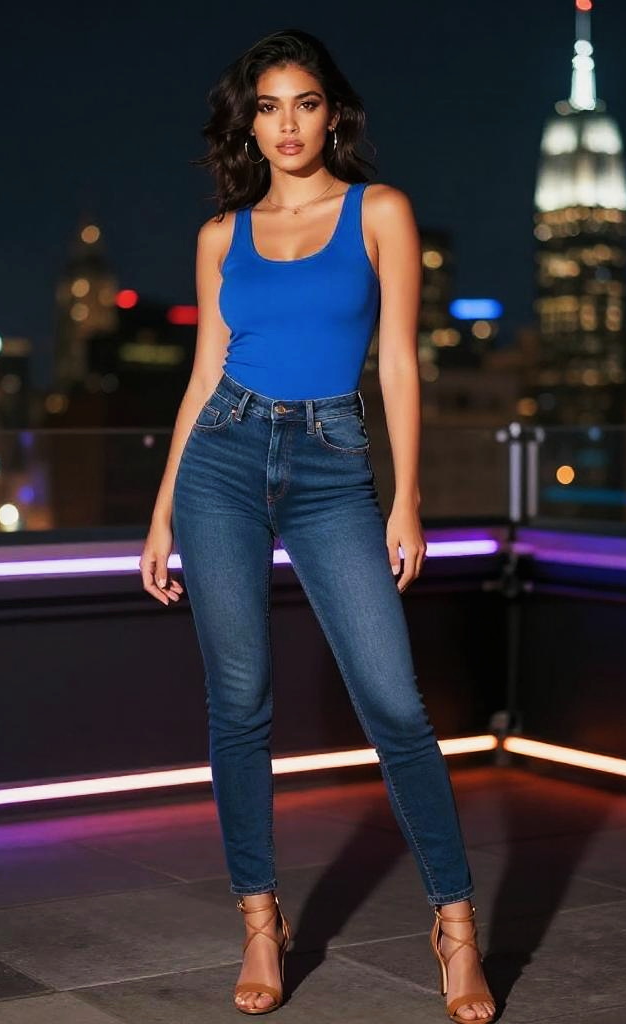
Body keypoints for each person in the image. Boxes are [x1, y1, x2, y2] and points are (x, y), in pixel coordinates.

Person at [139, 28, 496, 1023]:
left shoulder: (378, 211)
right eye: (266, 106)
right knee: (239, 701)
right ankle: (261, 918)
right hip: (221, 459)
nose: (285, 124)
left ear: (332, 111)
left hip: (334, 464)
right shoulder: (222, 234)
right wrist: (163, 509)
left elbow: (395, 362)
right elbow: (204, 374)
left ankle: (455, 923)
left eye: (302, 102)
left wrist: (406, 494)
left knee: (394, 702)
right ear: (248, 120)